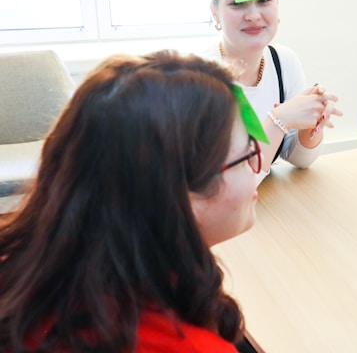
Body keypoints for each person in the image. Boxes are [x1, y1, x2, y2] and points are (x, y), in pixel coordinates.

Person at [0, 50, 264, 352]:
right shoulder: (184, 346)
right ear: (180, 197)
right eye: (247, 156)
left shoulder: (26, 267)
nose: (256, 169)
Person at [204, 0, 342, 184]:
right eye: (237, 4)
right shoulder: (198, 76)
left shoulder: (283, 61)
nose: (253, 16)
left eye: (264, 1)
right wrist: (279, 119)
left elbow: (299, 158)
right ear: (215, 13)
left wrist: (310, 125)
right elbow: (233, 183)